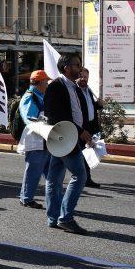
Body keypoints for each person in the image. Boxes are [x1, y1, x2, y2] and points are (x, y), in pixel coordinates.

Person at [42, 53, 92, 235]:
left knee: (54, 178)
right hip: (64, 138)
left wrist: (86, 132)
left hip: (71, 138)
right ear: (66, 68)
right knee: (80, 175)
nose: (80, 68)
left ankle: (53, 218)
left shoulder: (74, 87)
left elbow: (80, 112)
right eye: (77, 65)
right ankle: (66, 218)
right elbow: (53, 115)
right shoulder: (56, 86)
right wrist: (79, 131)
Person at [17, 70, 49, 208]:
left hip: (44, 138)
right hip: (35, 139)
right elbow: (29, 118)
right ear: (40, 82)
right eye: (46, 82)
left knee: (49, 171)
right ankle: (26, 198)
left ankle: (53, 199)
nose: (47, 84)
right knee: (33, 171)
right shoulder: (30, 97)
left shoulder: (40, 95)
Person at [76, 67, 103, 189]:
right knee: (81, 154)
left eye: (85, 77)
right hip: (80, 128)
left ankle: (85, 178)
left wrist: (99, 105)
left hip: (91, 127)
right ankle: (83, 178)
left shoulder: (89, 90)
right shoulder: (75, 91)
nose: (83, 79)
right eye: (81, 76)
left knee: (87, 153)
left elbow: (89, 107)